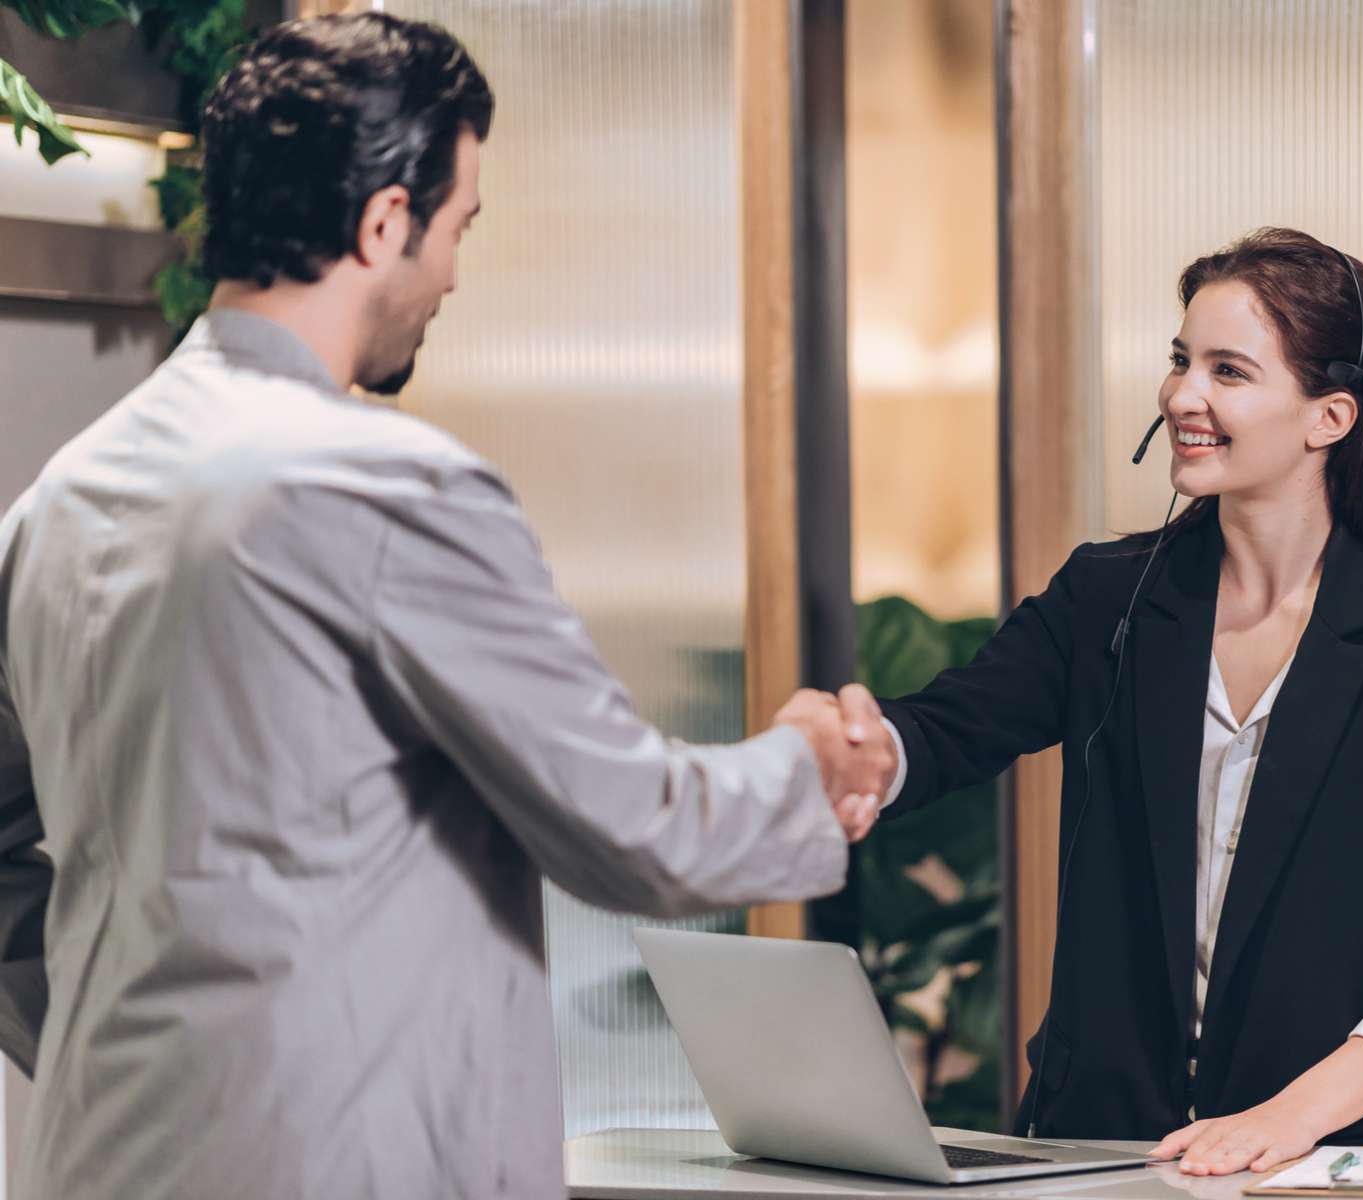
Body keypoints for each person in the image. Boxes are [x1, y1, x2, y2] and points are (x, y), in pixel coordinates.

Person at [0, 14, 890, 1199]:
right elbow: (633, 827)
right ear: (385, 223)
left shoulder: (60, 497)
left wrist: (125, 1033)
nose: (456, 272)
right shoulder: (383, 486)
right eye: (458, 225)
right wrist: (804, 761)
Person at [847, 228, 1363, 1174]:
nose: (1180, 396)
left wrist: (1289, 1119)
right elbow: (950, 726)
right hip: (1098, 1151)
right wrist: (866, 752)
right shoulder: (1106, 596)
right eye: (1180, 360)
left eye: (1227, 370)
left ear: (1330, 416)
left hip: (1325, 1161)